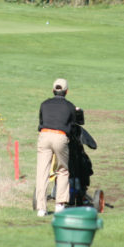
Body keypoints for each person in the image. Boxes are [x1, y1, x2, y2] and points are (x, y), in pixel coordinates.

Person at [35, 78, 77, 217]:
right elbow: (72, 126)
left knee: (42, 173)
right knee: (63, 170)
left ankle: (41, 208)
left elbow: (41, 121)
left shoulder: (44, 104)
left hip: (44, 135)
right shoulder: (70, 106)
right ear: (66, 92)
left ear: (53, 90)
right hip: (60, 136)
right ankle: (60, 204)